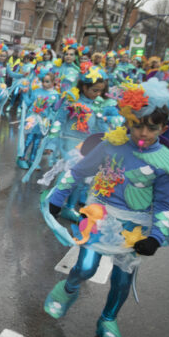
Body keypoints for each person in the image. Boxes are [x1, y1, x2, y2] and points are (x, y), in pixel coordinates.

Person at [41, 78, 169, 337]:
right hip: (100, 215)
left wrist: (157, 237)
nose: (143, 133)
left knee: (122, 279)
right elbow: (79, 171)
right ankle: (67, 289)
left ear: (163, 127)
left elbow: (163, 205)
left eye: (152, 127)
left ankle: (108, 321)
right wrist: (58, 196)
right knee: (86, 266)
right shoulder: (112, 144)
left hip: (134, 227)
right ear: (127, 119)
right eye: (137, 124)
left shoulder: (165, 163)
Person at [37, 63, 124, 221]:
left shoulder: (100, 105)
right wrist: (51, 143)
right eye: (94, 90)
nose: (97, 94)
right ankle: (53, 202)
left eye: (100, 91)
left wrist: (113, 120)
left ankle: (69, 207)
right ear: (84, 87)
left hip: (89, 146)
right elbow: (59, 121)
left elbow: (103, 126)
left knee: (82, 179)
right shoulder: (71, 99)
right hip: (68, 144)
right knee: (68, 175)